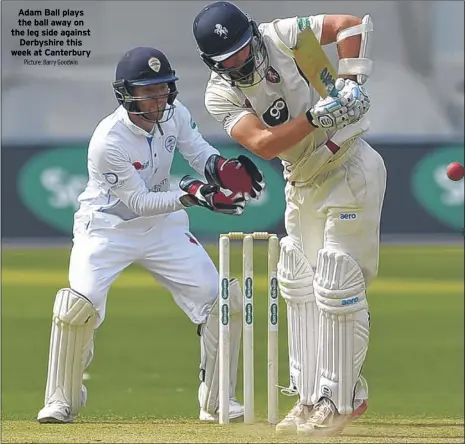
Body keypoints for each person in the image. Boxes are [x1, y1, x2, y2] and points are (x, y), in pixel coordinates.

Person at [36, 46, 266, 424]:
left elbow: (197, 151)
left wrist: (221, 168)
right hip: (107, 230)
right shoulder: (108, 142)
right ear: (127, 94)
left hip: (163, 230)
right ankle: (62, 400)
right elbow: (139, 202)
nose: (159, 99)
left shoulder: (175, 115)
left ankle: (217, 400)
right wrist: (197, 194)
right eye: (149, 91)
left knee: (224, 302)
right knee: (79, 306)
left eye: (164, 89)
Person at [192, 2, 386, 437]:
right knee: (299, 283)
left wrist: (351, 82)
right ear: (213, 63)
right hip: (301, 181)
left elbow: (350, 25)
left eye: (243, 50)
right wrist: (316, 116)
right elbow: (261, 142)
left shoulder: (282, 34)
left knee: (338, 281)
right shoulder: (219, 93)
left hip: (348, 163)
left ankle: (340, 400)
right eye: (228, 60)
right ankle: (311, 397)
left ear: (252, 36)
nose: (240, 62)